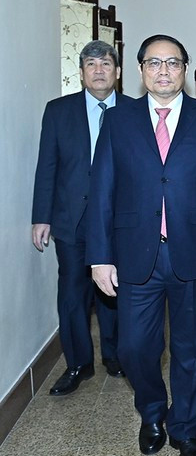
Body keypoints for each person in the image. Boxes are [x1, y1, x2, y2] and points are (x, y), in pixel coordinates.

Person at [86, 34, 196, 456]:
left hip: (195, 251)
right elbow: (101, 192)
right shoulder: (118, 122)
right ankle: (152, 413)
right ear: (139, 70)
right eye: (154, 63)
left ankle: (186, 427)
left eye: (172, 63)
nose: (163, 71)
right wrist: (100, 256)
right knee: (135, 347)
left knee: (194, 349)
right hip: (136, 254)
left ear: (185, 71)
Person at [32, 40, 131, 395]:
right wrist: (41, 217)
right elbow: (48, 168)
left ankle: (116, 355)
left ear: (118, 72)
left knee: (116, 291)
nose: (99, 70)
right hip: (72, 219)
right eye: (91, 65)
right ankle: (78, 364)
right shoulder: (58, 111)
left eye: (105, 64)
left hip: (121, 221)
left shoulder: (136, 110)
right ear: (82, 72)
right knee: (73, 294)